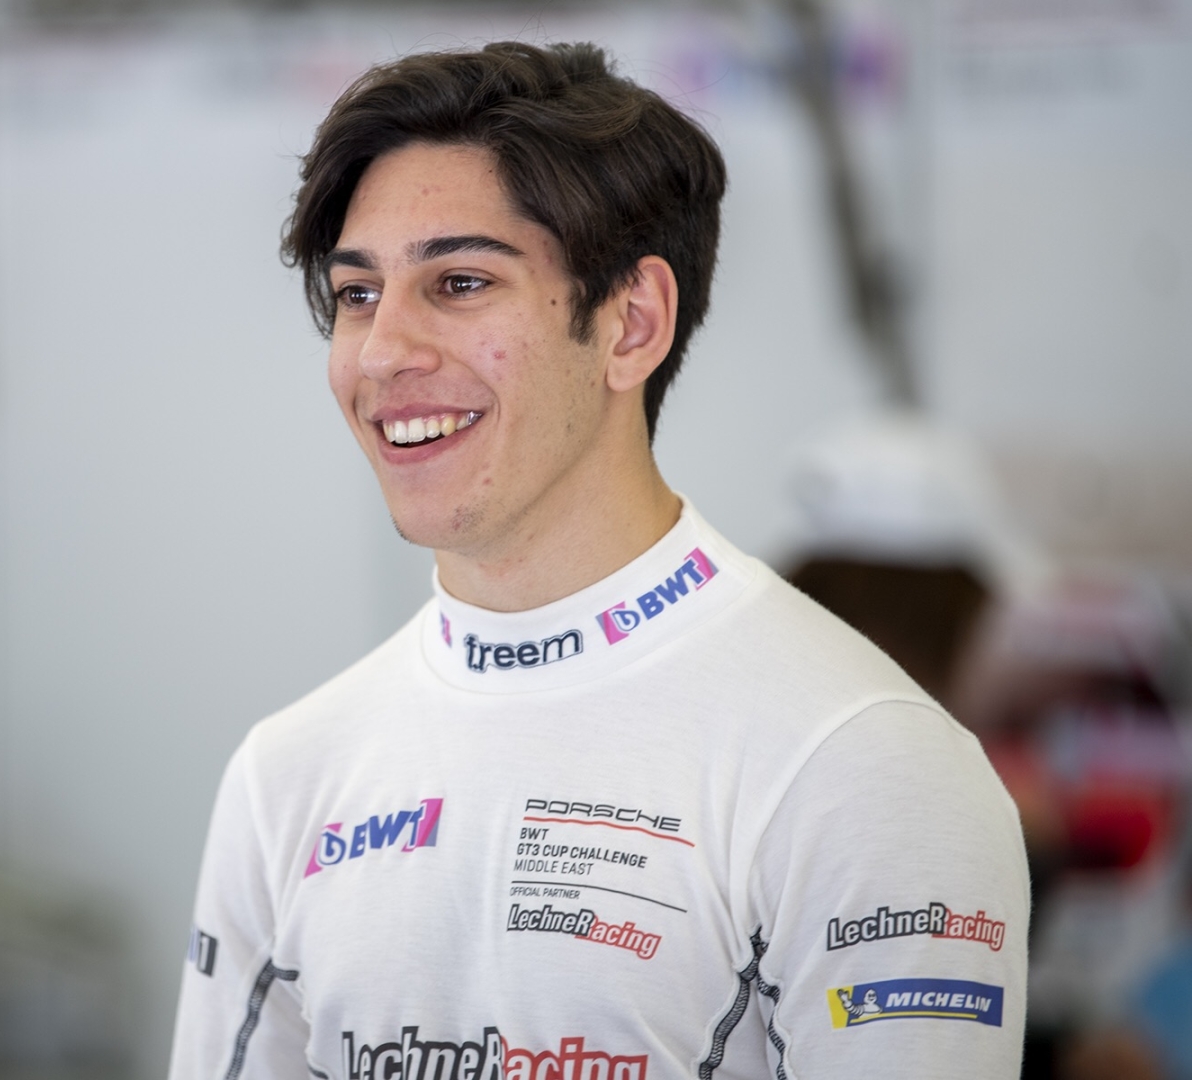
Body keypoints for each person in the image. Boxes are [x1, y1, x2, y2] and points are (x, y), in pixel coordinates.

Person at [169, 41, 1027, 1080]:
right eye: (358, 294)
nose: (383, 352)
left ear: (632, 323)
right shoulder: (287, 775)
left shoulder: (864, 767)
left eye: (460, 282)